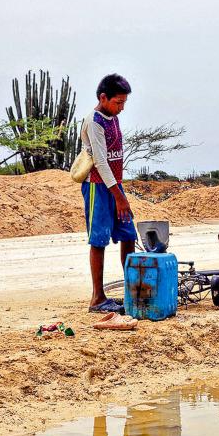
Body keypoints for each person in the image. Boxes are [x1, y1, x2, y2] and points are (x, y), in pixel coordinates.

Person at [81, 73, 136, 313]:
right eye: (118, 102)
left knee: (128, 235)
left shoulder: (113, 117)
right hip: (97, 186)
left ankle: (132, 290)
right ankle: (97, 298)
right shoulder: (94, 121)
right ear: (103, 98)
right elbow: (101, 162)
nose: (121, 108)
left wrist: (119, 191)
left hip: (115, 185)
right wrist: (120, 197)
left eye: (124, 103)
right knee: (99, 240)